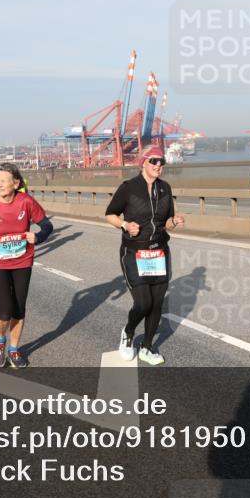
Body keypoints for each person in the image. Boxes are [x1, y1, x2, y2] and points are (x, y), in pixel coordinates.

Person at [105, 147, 185, 365]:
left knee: (157, 303)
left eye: (162, 162)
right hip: (134, 252)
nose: (159, 165)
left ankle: (147, 347)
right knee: (143, 303)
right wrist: (124, 224)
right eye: (154, 161)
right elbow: (110, 214)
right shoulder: (128, 188)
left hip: (159, 251)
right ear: (143, 163)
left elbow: (166, 223)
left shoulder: (165, 188)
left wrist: (174, 222)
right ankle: (129, 333)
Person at [0, 164, 54, 367]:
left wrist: (38, 236)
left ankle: (14, 350)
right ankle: (0, 342)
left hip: (22, 260)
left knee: (19, 309)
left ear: (15, 183)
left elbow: (47, 226)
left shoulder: (26, 201)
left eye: (3, 180)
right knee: (5, 309)